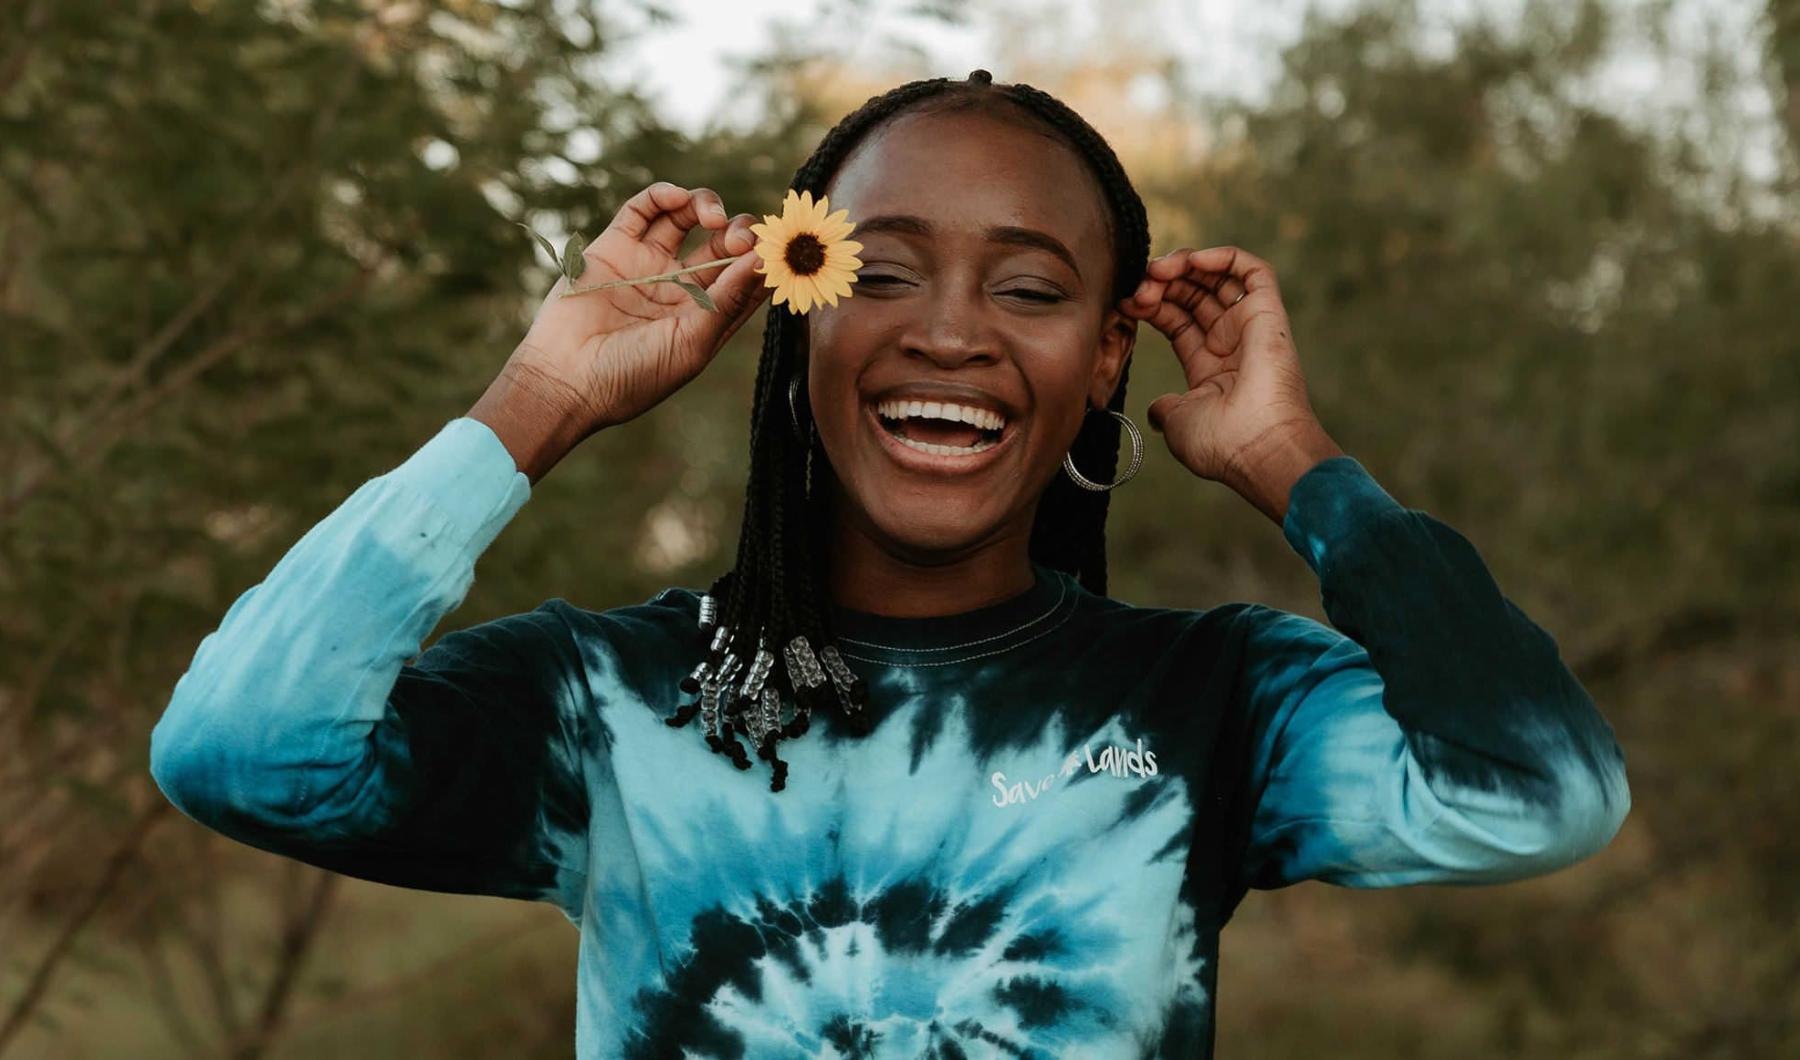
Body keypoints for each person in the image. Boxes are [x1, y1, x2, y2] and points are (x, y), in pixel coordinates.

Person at [149, 70, 1632, 1059]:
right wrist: (536, 406)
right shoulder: (615, 699)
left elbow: (1541, 795)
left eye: (1035, 289)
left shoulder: (1213, 701)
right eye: (885, 269)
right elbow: (242, 750)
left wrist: (1299, 469)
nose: (952, 333)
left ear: (1108, 352)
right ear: (794, 317)